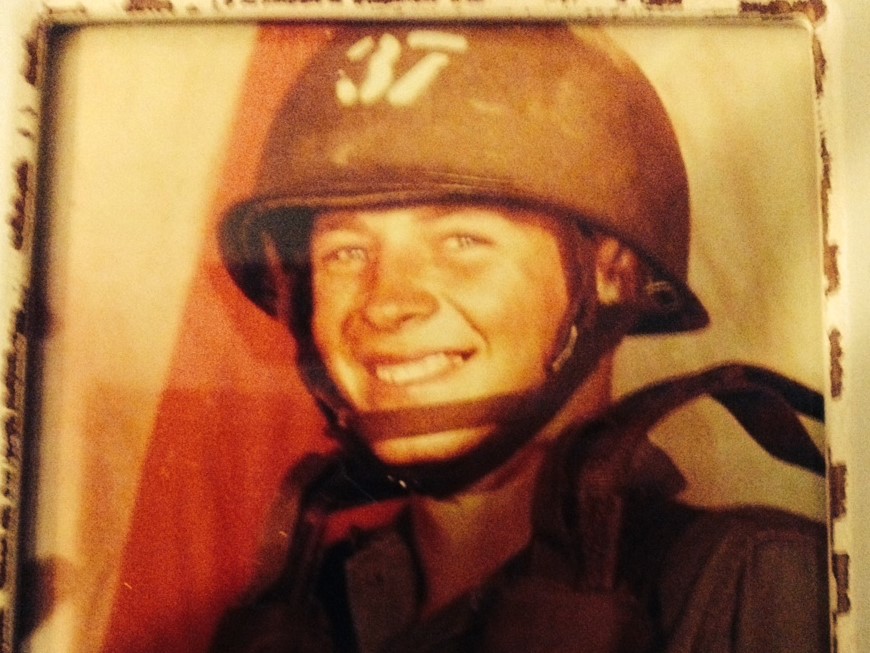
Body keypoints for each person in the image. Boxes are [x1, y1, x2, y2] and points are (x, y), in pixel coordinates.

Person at [211, 23, 829, 653]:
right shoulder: (307, 610)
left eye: (462, 241)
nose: (388, 301)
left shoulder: (748, 587)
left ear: (612, 272)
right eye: (345, 252)